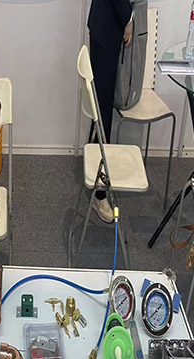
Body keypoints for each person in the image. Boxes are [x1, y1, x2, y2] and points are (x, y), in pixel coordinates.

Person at [87, 0, 134, 223]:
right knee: (102, 111)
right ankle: (99, 194)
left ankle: (95, 175)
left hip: (106, 26)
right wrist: (128, 18)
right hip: (108, 27)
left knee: (101, 109)